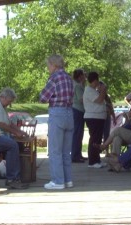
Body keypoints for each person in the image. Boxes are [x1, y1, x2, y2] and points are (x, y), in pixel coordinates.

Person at [40, 55, 74, 190]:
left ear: (54, 65)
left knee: (55, 151)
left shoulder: (54, 78)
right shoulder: (69, 78)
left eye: (48, 65)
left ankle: (58, 181)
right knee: (66, 152)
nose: (48, 68)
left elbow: (43, 97)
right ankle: (68, 180)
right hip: (69, 114)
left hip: (57, 113)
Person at [0, 87, 26, 178]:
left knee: (20, 145)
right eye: (9, 101)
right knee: (14, 145)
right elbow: (1, 124)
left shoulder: (2, 106)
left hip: (1, 135)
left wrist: (20, 131)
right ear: (3, 97)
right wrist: (16, 133)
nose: (9, 104)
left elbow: (9, 123)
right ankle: (12, 177)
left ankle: (19, 173)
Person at [83, 71, 107, 168]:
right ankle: (92, 161)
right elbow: (99, 100)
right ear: (95, 80)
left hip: (99, 118)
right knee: (94, 139)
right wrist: (103, 90)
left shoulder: (93, 90)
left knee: (97, 139)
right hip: (93, 118)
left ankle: (97, 159)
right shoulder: (89, 90)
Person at [71, 69, 87, 163]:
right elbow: (81, 99)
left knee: (79, 134)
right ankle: (75, 155)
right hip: (78, 111)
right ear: (79, 76)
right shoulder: (77, 86)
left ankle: (78, 154)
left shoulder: (78, 85)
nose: (84, 77)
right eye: (83, 76)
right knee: (77, 134)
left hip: (79, 111)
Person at [101, 81, 116, 156]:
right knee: (99, 134)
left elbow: (111, 107)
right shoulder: (97, 94)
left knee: (106, 134)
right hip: (99, 117)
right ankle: (98, 150)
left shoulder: (107, 97)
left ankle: (107, 151)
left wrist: (114, 117)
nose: (105, 89)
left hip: (107, 117)